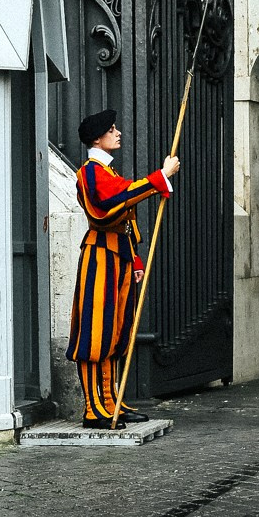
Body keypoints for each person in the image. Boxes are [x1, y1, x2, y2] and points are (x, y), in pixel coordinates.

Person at [66, 109, 180, 428]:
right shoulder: (89, 173)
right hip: (100, 257)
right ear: (96, 139)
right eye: (111, 130)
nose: (117, 133)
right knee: (95, 334)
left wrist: (136, 259)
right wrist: (159, 178)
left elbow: (126, 220)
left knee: (117, 333)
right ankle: (93, 408)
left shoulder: (110, 173)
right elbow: (105, 210)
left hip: (120, 257)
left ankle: (111, 400)